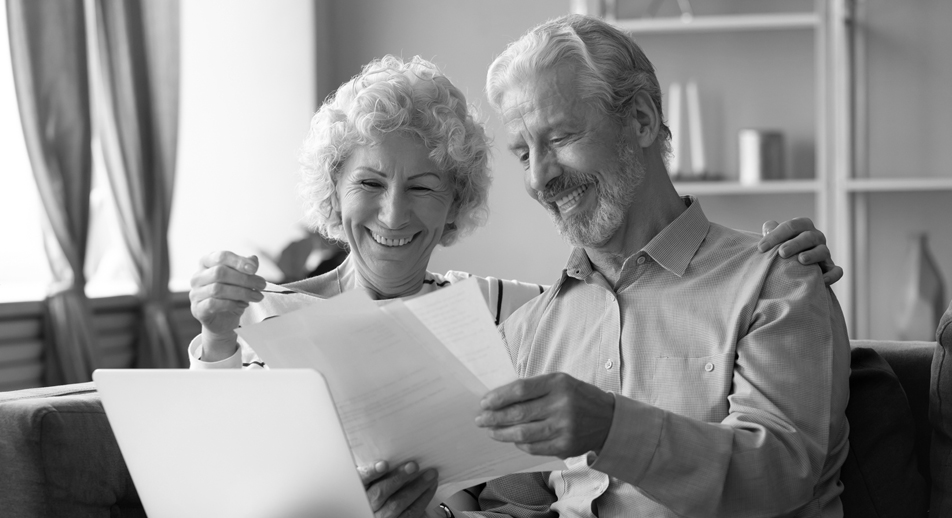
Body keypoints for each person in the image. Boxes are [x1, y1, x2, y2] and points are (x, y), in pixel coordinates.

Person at [187, 55, 843, 517]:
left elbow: (780, 464)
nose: (393, 214)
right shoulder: (539, 323)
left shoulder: (513, 314)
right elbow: (215, 480)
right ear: (333, 190)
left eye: (422, 187)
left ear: (455, 203)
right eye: (524, 152)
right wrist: (216, 340)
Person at [453, 14, 849, 518]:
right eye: (523, 153)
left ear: (640, 119)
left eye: (559, 138)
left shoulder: (776, 279)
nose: (540, 176)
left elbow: (776, 475)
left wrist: (610, 427)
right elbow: (515, 505)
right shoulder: (527, 332)